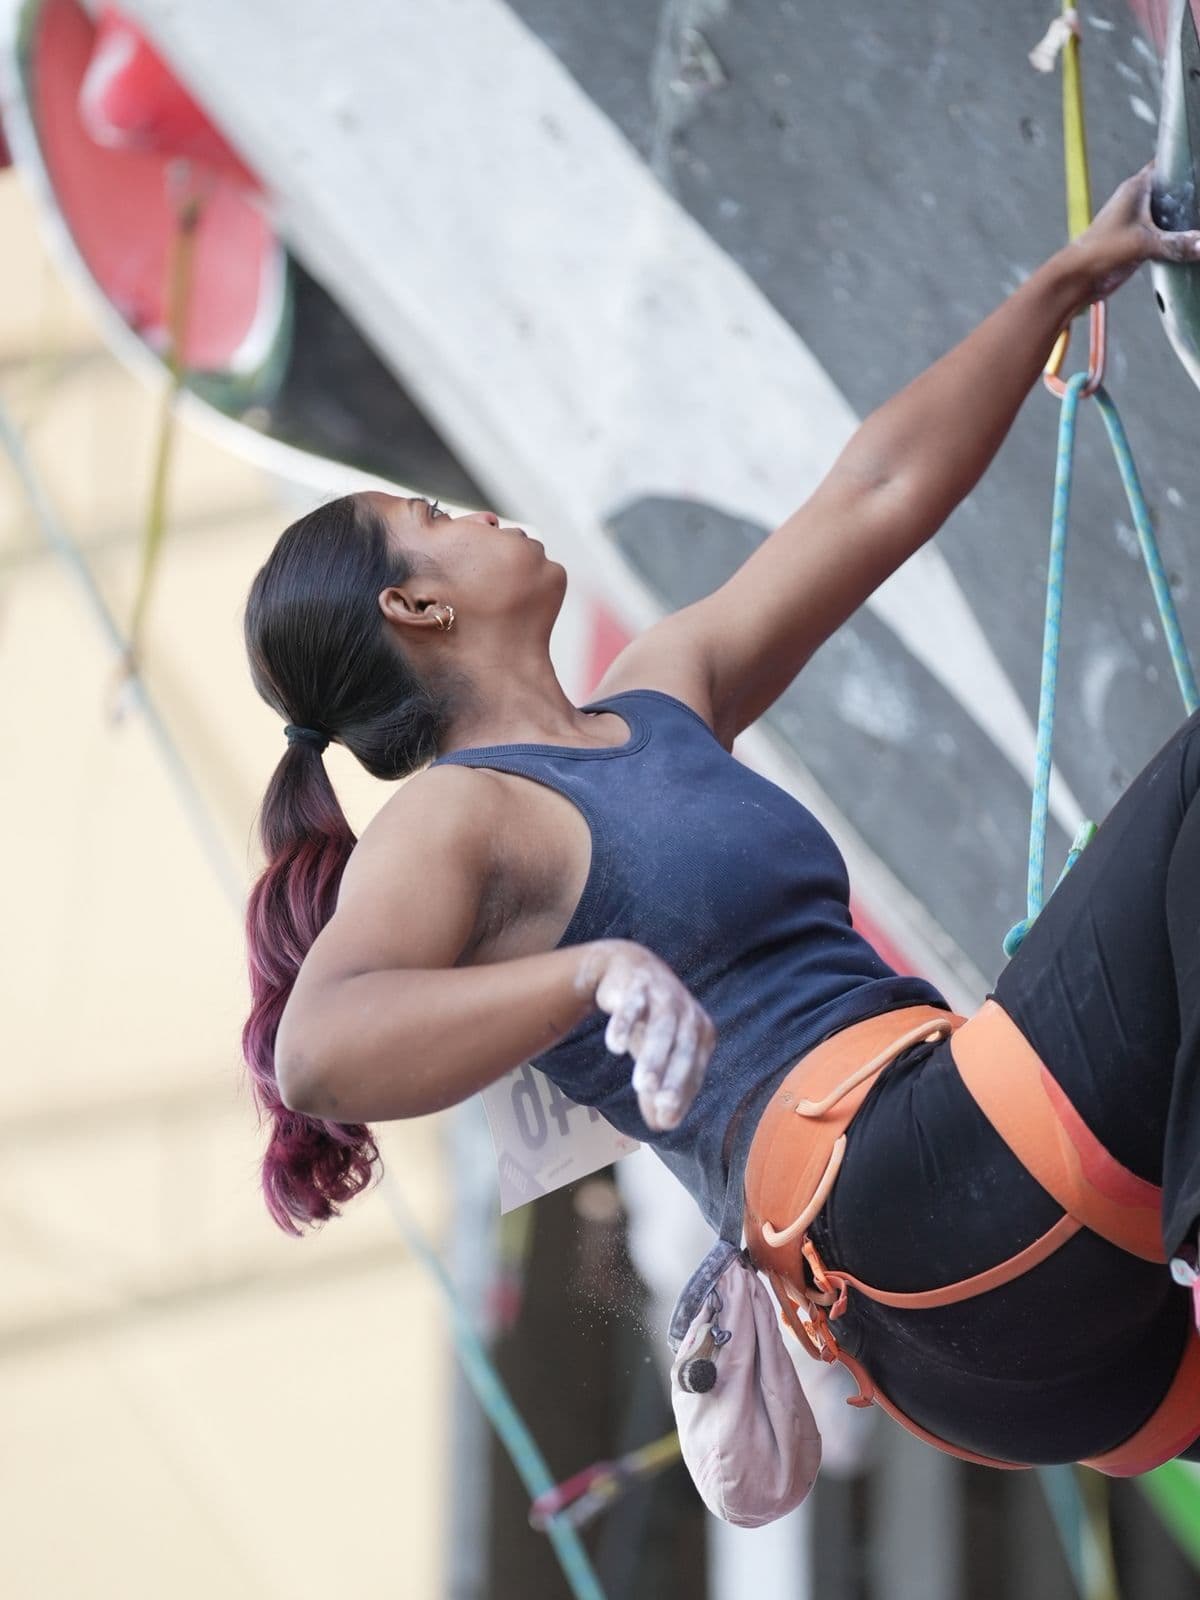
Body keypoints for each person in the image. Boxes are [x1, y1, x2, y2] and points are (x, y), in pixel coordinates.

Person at [241, 165, 1200, 1471]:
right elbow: (321, 1050)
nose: (472, 512)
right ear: (416, 611)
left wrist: (1055, 290)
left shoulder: (658, 696)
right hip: (919, 1194)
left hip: (971, 1321)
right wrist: (587, 973)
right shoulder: (456, 816)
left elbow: (872, 493)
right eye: (432, 520)